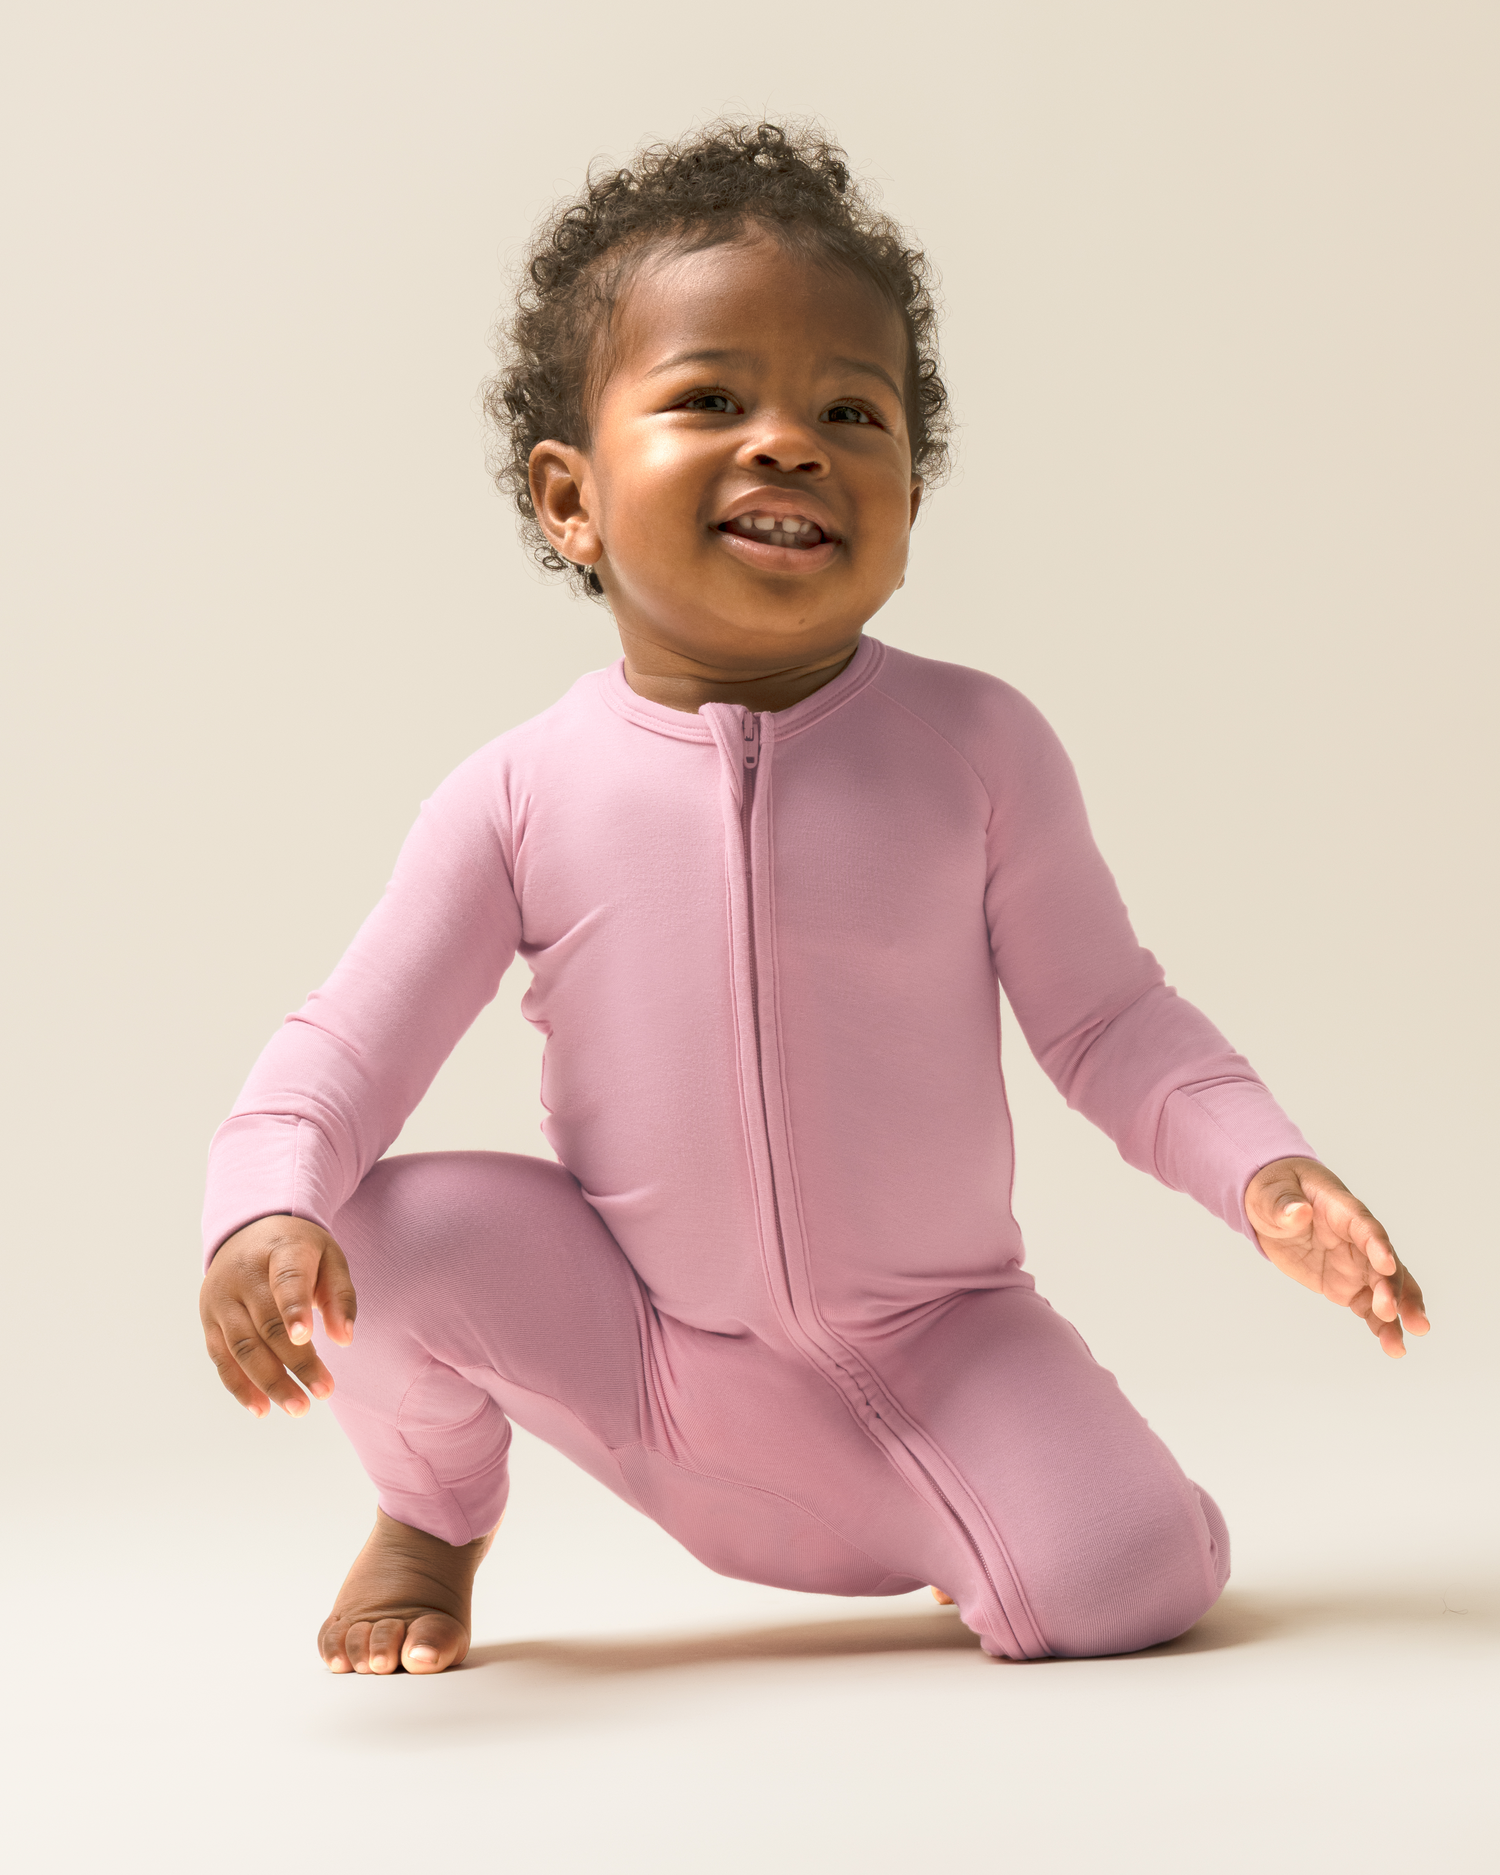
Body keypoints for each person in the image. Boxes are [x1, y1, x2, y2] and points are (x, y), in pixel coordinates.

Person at [198, 121, 1428, 1676]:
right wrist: (263, 1207)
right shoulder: (517, 795)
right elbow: (346, 1048)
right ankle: (430, 1512)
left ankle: (976, 1505)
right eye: (711, 399)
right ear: (571, 499)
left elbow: (1113, 1021)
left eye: (851, 411)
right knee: (375, 1224)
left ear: (907, 497)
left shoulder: (978, 747)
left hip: (943, 1343)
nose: (788, 442)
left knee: (1130, 1584)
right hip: (647, 1351)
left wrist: (1265, 1169)